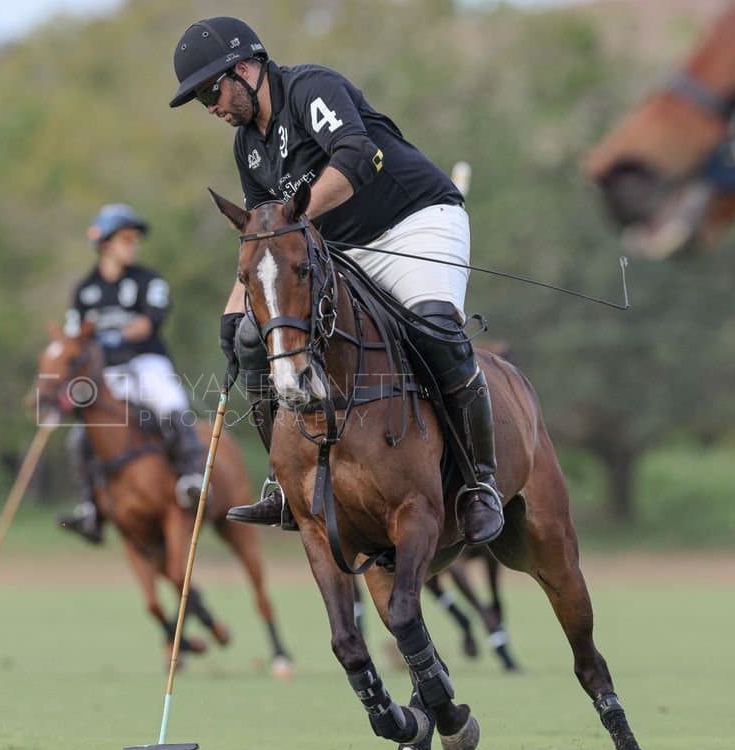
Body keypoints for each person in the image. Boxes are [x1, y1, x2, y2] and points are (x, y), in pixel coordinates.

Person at [169, 17, 502, 546]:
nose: (210, 107)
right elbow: (262, 235)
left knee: (437, 328)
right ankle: (285, 482)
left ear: (246, 69)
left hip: (414, 220)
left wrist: (299, 223)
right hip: (336, 249)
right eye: (200, 100)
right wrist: (236, 313)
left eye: (212, 90)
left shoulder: (310, 89)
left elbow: (357, 156)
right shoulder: (247, 148)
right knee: (254, 341)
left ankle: (480, 485)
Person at [55, 203, 206, 544]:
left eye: (135, 239)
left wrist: (112, 336)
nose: (133, 245)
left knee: (171, 403)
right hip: (107, 373)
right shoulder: (85, 290)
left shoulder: (147, 280)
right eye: (126, 238)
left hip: (146, 362)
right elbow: (74, 336)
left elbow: (148, 322)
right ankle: (89, 506)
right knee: (80, 436)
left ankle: (191, 477)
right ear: (104, 244)